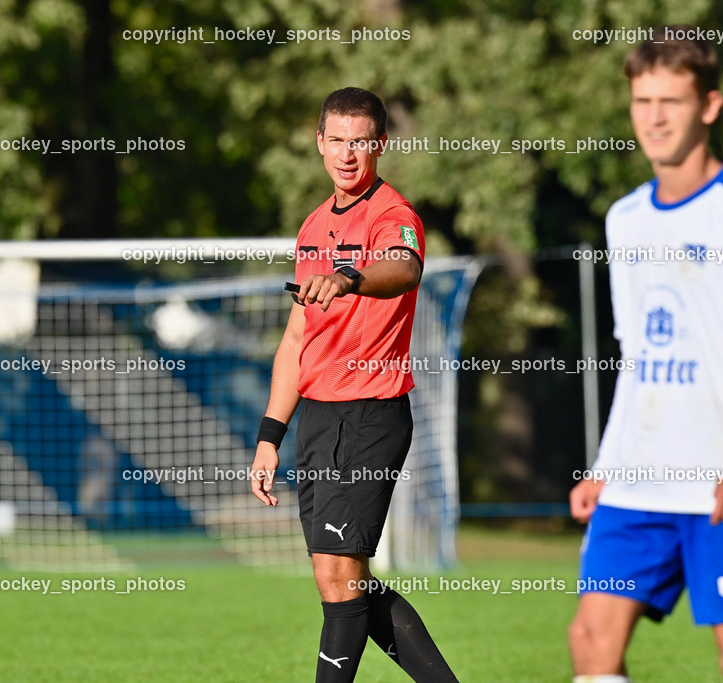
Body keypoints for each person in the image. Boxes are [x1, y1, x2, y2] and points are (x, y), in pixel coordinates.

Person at [567, 28, 723, 683]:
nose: (655, 117)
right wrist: (606, 465)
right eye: (642, 101)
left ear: (710, 106)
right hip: (641, 475)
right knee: (591, 638)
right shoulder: (624, 220)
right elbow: (635, 354)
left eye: (671, 100)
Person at [250, 87, 458, 683]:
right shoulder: (313, 225)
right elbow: (296, 341)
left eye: (359, 141)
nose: (347, 154)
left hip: (369, 414)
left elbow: (404, 268)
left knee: (342, 572)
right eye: (335, 140)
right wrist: (270, 436)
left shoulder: (393, 215)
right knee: (340, 578)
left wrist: (351, 277)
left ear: (379, 145)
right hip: (317, 418)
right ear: (319, 144)